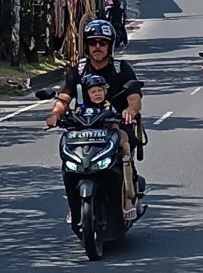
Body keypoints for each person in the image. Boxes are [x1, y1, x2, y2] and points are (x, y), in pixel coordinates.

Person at [47, 19, 143, 224]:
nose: (97, 47)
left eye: (102, 42)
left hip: (114, 125)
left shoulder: (121, 69)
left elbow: (134, 98)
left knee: (123, 145)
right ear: (86, 45)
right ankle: (74, 205)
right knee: (68, 160)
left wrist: (129, 111)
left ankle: (127, 198)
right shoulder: (78, 71)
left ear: (110, 45)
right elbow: (64, 99)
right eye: (93, 42)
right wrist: (55, 114)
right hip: (83, 127)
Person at [76, 74, 136, 219]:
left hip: (106, 143)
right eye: (93, 92)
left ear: (105, 92)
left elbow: (116, 126)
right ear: (86, 94)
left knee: (125, 146)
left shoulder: (109, 106)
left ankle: (128, 201)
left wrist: (119, 117)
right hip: (87, 146)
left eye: (99, 91)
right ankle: (74, 207)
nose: (97, 94)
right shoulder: (81, 109)